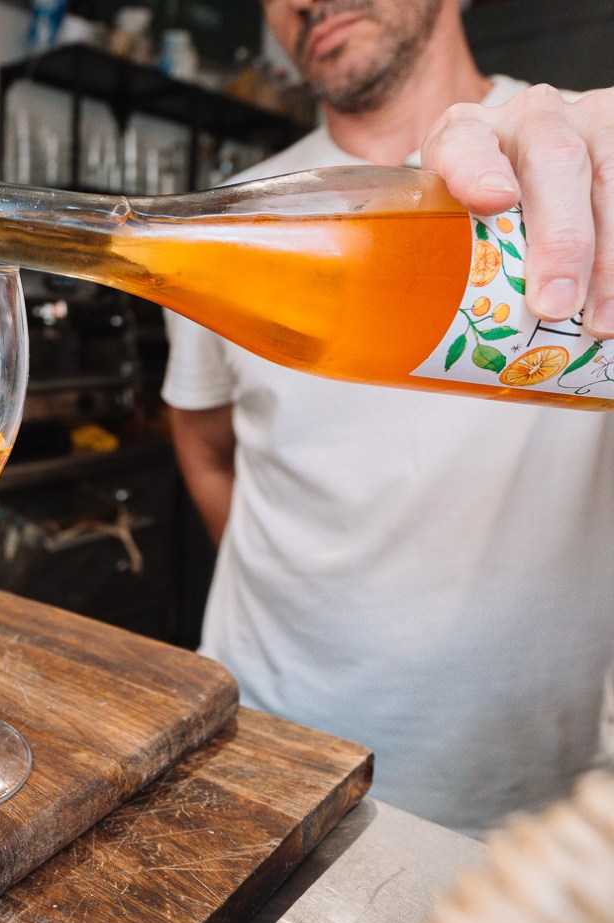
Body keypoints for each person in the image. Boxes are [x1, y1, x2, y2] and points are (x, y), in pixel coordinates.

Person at [163, 0, 614, 837]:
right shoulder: (221, 223)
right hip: (258, 755)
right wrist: (308, 600)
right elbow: (203, 442)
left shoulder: (586, 171)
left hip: (518, 802)